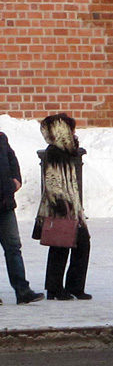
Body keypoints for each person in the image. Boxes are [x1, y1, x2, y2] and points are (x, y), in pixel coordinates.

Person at [37, 113, 91, 301]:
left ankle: (75, 286)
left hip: (74, 205)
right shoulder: (54, 151)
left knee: (82, 243)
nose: (74, 132)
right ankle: (54, 288)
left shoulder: (70, 149)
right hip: (60, 205)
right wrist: (59, 201)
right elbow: (50, 179)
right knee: (60, 246)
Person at [0, 129, 44, 304]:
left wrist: (15, 180)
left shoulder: (1, 138)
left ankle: (22, 291)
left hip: (5, 204)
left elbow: (12, 160)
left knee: (13, 247)